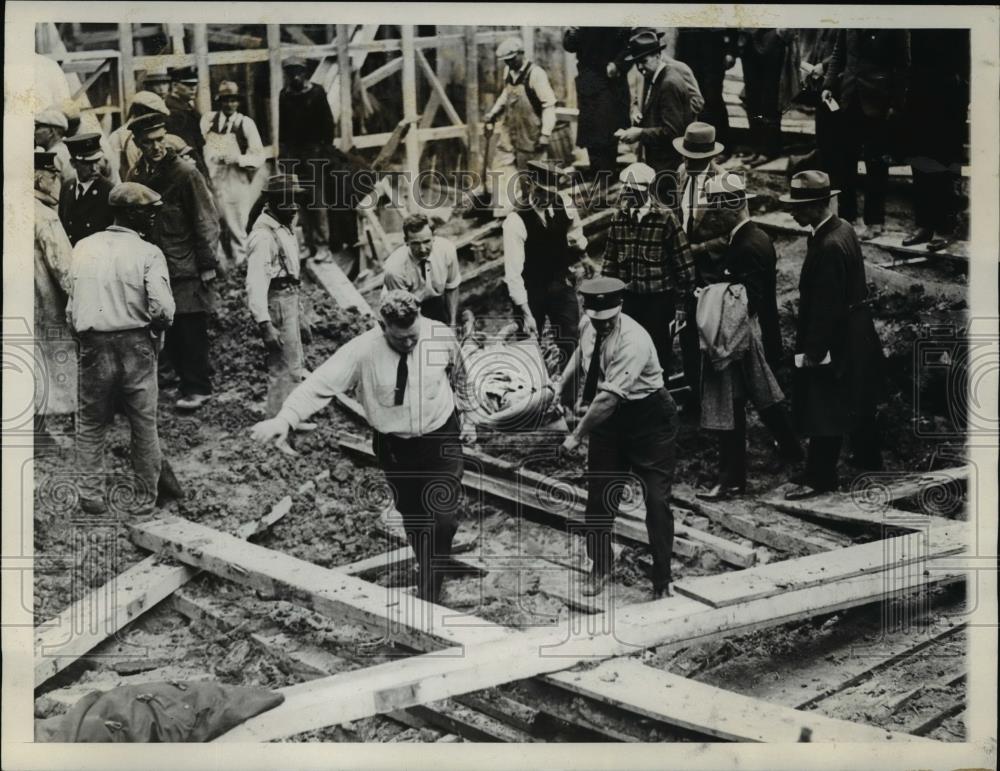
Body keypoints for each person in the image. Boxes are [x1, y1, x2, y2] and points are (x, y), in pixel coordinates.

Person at [250, 290, 476, 603]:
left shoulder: (438, 334)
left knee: (444, 517)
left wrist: (470, 415)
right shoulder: (361, 351)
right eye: (401, 340)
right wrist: (285, 419)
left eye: (413, 336)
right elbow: (319, 385)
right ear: (383, 327)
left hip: (440, 437)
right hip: (396, 448)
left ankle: (429, 591)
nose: (409, 345)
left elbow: (462, 374)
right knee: (414, 516)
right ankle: (432, 561)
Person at [558, 277, 679, 599]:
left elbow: (608, 398)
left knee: (656, 500)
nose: (603, 327)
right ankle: (600, 566)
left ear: (620, 308)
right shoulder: (589, 324)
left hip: (648, 419)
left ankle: (662, 579)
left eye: (609, 321)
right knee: (599, 499)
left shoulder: (634, 340)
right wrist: (559, 388)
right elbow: (580, 359)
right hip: (609, 425)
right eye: (598, 321)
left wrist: (577, 435)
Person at [67, 182, 176, 515]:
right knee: (143, 423)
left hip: (93, 344)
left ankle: (91, 495)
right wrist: (155, 333)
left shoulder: (84, 247)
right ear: (131, 213)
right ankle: (144, 497)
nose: (153, 219)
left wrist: (84, 337)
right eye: (149, 213)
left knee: (90, 422)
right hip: (136, 343)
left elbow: (72, 307)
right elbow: (163, 309)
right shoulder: (147, 252)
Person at [779, 171, 886, 500]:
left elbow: (826, 305)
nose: (792, 213)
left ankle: (820, 476)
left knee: (823, 405)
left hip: (836, 336)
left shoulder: (827, 246)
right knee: (858, 399)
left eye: (797, 207)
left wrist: (813, 350)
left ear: (814, 206)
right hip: (856, 331)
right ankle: (870, 460)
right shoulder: (843, 229)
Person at [695, 173, 801, 501]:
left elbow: (749, 300)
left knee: (730, 405)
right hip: (751, 336)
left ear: (732, 205)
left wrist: (709, 296)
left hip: (741, 339)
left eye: (716, 206)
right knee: (763, 398)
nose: (713, 213)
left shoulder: (746, 245)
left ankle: (732, 479)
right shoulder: (755, 237)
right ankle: (792, 450)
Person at [127, 112, 220, 411]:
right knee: (166, 326)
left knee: (190, 328)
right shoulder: (135, 177)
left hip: (185, 266)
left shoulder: (185, 174)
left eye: (160, 139)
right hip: (153, 266)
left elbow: (206, 221)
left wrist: (207, 265)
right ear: (138, 143)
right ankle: (178, 381)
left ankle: (198, 388)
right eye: (148, 142)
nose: (156, 147)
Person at [600, 162, 695, 383]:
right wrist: (605, 297)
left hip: (659, 302)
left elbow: (685, 267)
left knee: (658, 354)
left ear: (647, 191)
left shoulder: (666, 218)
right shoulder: (619, 217)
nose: (627, 196)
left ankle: (659, 400)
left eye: (632, 191)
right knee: (628, 352)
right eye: (625, 190)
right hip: (629, 300)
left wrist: (681, 306)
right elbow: (609, 261)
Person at [822, 30, 910, 238]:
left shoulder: (894, 24)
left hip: (878, 101)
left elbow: (903, 65)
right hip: (849, 97)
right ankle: (847, 217)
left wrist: (896, 103)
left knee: (876, 163)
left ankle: (875, 222)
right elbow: (838, 53)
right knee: (845, 161)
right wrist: (829, 84)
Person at [503, 160, 588, 369]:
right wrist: (526, 312)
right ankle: (534, 393)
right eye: (542, 192)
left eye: (552, 193)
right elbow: (513, 274)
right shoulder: (515, 220)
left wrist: (582, 257)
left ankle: (569, 397)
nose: (547, 198)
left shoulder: (564, 203)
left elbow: (575, 233)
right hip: (531, 289)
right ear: (530, 184)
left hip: (560, 283)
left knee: (571, 340)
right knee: (528, 345)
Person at [246, 174, 314, 422]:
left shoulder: (286, 227)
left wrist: (301, 313)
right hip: (276, 304)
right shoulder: (264, 236)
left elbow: (293, 275)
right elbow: (255, 284)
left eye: (296, 200)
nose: (294, 205)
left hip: (290, 300)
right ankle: (275, 426)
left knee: (294, 367)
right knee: (281, 369)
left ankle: (291, 419)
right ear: (272, 202)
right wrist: (265, 324)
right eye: (287, 201)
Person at [672, 121, 729, 407]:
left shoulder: (725, 182)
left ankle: (716, 402)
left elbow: (734, 234)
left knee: (712, 338)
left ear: (709, 158)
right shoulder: (682, 174)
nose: (687, 163)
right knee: (687, 337)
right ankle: (695, 396)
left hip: (713, 273)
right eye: (685, 156)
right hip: (685, 272)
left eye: (694, 159)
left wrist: (699, 248)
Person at [900, 29, 969, 251]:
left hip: (948, 96)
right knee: (920, 162)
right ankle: (925, 226)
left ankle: (946, 228)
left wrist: (961, 90)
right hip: (919, 93)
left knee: (945, 162)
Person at [615, 28, 701, 202]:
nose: (640, 67)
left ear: (657, 56)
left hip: (668, 165)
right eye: (637, 62)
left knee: (666, 212)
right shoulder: (655, 78)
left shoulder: (669, 83)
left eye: (644, 61)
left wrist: (640, 134)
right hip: (659, 163)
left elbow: (673, 133)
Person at [33, 148, 76, 447]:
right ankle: (41, 433)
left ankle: (34, 430)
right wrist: (78, 297)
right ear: (38, 178)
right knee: (53, 359)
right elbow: (63, 265)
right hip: (43, 298)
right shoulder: (45, 216)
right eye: (52, 176)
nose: (56, 181)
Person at [201, 81, 266, 266]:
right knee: (215, 224)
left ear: (238, 102)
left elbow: (259, 156)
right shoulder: (209, 121)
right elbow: (203, 147)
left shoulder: (245, 123)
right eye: (225, 101)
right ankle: (221, 267)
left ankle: (241, 267)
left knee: (237, 226)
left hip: (236, 180)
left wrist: (238, 159)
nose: (229, 105)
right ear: (220, 102)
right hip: (214, 180)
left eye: (233, 101)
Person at [278, 56, 335, 259]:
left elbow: (328, 125)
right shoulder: (284, 96)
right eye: (290, 72)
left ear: (305, 73)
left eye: (299, 72)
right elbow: (282, 129)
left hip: (314, 153)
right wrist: (283, 155)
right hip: (294, 154)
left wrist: (324, 152)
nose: (295, 76)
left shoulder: (317, 93)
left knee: (317, 200)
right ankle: (308, 245)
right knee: (299, 199)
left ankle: (322, 246)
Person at [561, 27, 631, 183]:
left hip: (610, 83)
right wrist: (570, 32)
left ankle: (606, 179)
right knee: (590, 134)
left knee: (607, 134)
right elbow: (570, 45)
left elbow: (630, 46)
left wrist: (617, 64)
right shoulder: (582, 19)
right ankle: (597, 176)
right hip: (588, 82)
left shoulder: (618, 18)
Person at [380, 213, 462, 326]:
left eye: (426, 241)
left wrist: (452, 324)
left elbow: (452, 287)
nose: (422, 249)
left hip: (434, 298)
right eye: (416, 244)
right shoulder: (394, 269)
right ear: (406, 241)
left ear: (434, 237)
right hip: (403, 306)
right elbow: (403, 311)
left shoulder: (447, 250)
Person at [674, 28, 738, 155]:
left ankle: (722, 147)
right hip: (689, 45)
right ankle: (698, 145)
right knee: (692, 97)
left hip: (713, 46)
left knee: (712, 97)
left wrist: (731, 50)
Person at [738, 29, 798, 166]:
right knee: (752, 98)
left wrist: (781, 32)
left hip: (771, 37)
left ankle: (769, 150)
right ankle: (756, 148)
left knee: (770, 96)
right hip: (749, 37)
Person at [58, 133, 115, 245]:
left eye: (97, 161)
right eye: (87, 163)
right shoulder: (67, 187)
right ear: (73, 163)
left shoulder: (109, 191)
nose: (94, 168)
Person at [164, 66, 210, 179]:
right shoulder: (173, 112)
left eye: (195, 84)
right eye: (188, 85)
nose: (193, 88)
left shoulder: (187, 108)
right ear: (174, 86)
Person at [35, 108, 73, 184]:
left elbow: (49, 192)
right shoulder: (66, 150)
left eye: (38, 127)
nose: (35, 132)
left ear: (52, 131)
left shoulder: (53, 155)